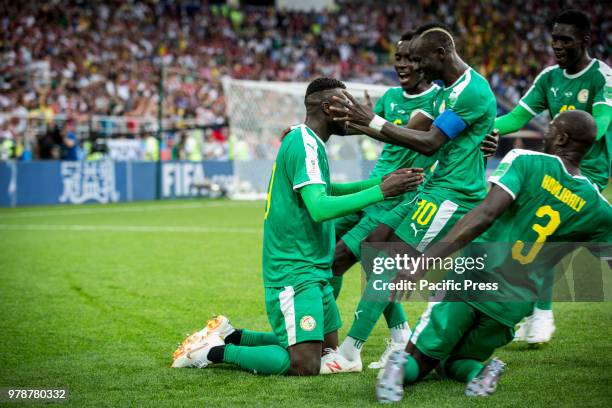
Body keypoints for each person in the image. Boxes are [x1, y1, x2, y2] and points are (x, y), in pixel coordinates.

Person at [171, 77, 424, 376]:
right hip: (294, 270)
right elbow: (319, 208)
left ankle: (231, 334)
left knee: (327, 350)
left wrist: (379, 183)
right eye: (347, 106)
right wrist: (382, 191)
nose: (354, 113)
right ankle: (210, 351)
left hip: (315, 267)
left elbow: (329, 189)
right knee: (304, 363)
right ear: (329, 108)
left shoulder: (309, 141)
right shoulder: (303, 143)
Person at [376, 110, 612, 402]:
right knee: (453, 364)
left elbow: (484, 215)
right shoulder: (597, 206)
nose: (545, 134)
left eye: (550, 129)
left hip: (474, 279)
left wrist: (423, 264)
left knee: (419, 358)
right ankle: (481, 372)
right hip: (514, 303)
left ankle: (396, 370)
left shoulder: (525, 161)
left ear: (562, 138)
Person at [326, 22, 496, 373]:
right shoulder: (451, 89)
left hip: (453, 194)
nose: (415, 67)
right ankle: (399, 337)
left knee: (389, 263)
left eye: (419, 60)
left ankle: (349, 351)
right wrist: (363, 120)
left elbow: (431, 141)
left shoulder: (469, 92)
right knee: (375, 246)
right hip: (434, 187)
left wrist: (370, 120)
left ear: (440, 54)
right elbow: (440, 134)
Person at [491, 9, 611, 344]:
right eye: (554, 38)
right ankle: (535, 313)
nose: (557, 45)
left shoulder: (602, 77)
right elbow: (515, 117)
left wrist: (571, 128)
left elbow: (599, 126)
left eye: (565, 39)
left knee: (545, 240)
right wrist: (480, 129)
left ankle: (539, 313)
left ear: (586, 40)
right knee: (537, 239)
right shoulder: (548, 78)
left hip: (590, 173)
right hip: (554, 168)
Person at [328, 31, 441, 371]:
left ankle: (331, 341)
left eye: (411, 58)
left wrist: (368, 120)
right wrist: (349, 121)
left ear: (425, 61)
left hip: (399, 197)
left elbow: (412, 130)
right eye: (399, 57)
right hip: (377, 185)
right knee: (332, 245)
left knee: (335, 260)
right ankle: (399, 336)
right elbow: (386, 135)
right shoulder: (391, 96)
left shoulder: (438, 101)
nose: (403, 64)